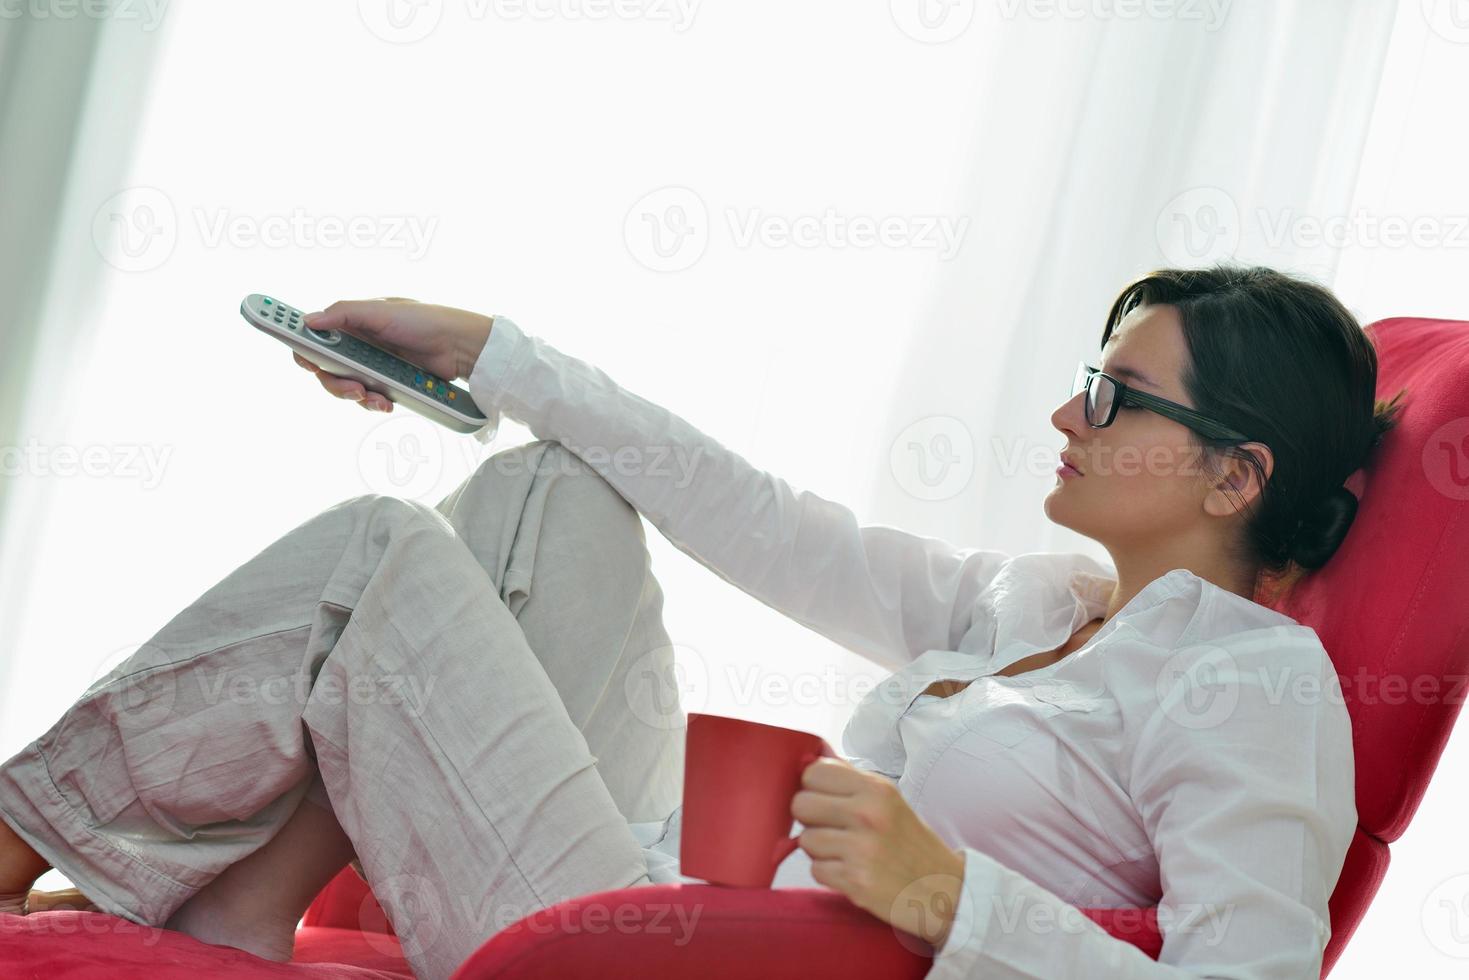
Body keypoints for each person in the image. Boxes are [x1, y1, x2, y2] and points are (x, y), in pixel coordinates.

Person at [0, 264, 1406, 979]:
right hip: (669, 903)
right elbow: (756, 514)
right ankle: (241, 907)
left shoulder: (1254, 690)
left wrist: (951, 898)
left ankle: (22, 840)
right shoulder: (1026, 603)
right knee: (553, 486)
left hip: (667, 968)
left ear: (1235, 472)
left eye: (1110, 396)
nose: (1062, 417)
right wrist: (493, 352)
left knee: (373, 555)